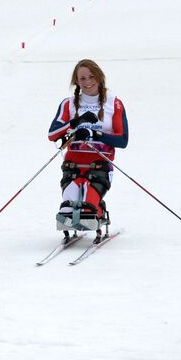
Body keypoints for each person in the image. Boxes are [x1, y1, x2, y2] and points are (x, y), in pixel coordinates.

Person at [46, 59, 128, 232]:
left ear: (99, 77)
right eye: (82, 78)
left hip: (100, 163)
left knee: (88, 213)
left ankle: (97, 208)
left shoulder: (114, 103)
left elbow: (122, 140)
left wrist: (94, 134)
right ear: (76, 81)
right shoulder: (68, 104)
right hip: (73, 164)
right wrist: (75, 123)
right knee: (66, 212)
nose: (88, 82)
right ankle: (75, 216)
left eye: (92, 77)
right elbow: (52, 134)